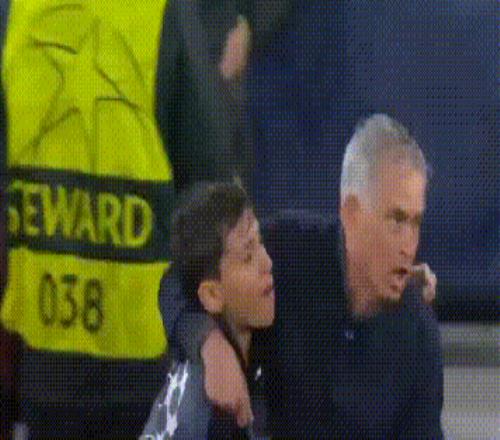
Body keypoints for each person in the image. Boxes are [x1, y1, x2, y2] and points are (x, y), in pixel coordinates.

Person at [0, 0, 290, 437]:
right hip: (141, 366)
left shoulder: (17, 14)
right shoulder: (160, 14)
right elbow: (210, 194)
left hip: (46, 364)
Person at [160, 114, 444, 438]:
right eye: (396, 220)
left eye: (416, 222)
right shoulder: (285, 253)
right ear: (352, 213)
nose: (409, 245)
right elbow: (178, 281)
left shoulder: (417, 331)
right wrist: (210, 345)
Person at [141, 181, 274, 439]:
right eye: (248, 257)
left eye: (261, 243)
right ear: (212, 295)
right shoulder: (201, 402)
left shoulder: (257, 357)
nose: (268, 263)